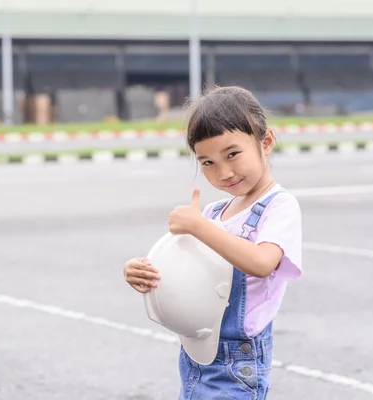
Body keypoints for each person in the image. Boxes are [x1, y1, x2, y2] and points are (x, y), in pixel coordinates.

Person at [123, 85, 303, 399]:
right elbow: (188, 272)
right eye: (207, 163)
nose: (224, 172)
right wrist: (143, 272)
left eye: (232, 154)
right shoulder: (214, 212)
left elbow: (262, 264)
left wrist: (200, 228)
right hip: (197, 351)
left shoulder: (279, 206)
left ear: (266, 142)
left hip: (238, 360)